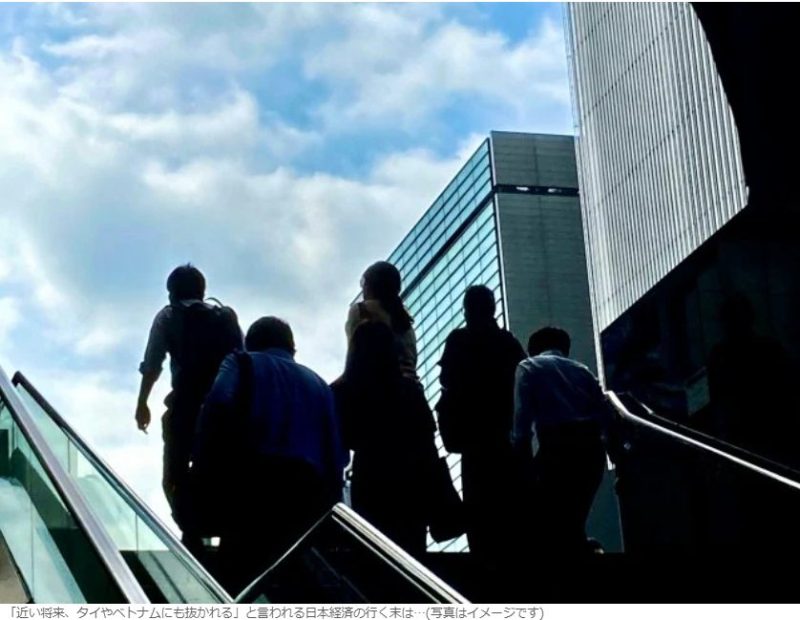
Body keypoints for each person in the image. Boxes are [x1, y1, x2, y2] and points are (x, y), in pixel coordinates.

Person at [193, 316, 348, 593]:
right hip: (307, 501)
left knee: (239, 580)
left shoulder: (241, 362)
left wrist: (203, 472)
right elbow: (336, 455)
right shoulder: (320, 385)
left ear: (250, 343)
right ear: (292, 348)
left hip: (252, 490)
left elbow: (218, 404)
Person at [135, 264, 242, 550]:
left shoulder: (168, 316)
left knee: (174, 475)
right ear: (203, 291)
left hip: (185, 406)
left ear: (171, 293)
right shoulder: (226, 316)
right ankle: (227, 535)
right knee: (223, 470)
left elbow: (153, 363)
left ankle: (191, 533)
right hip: (226, 410)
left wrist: (142, 402)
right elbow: (242, 360)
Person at [331, 321, 438, 557]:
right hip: (411, 482)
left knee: (373, 553)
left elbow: (341, 443)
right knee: (411, 552)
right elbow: (428, 434)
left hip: (370, 479)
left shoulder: (345, 391)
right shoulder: (410, 390)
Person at [436, 285, 525, 564]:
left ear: (467, 310)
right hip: (504, 437)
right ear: (493, 308)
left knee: (478, 511)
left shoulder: (459, 340)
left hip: (472, 440)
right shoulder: (508, 342)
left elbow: (447, 380)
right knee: (508, 513)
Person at [512, 326, 613, 556]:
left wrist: (523, 464)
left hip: (556, 447)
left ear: (533, 349)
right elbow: (604, 414)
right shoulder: (583, 371)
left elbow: (522, 422)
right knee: (575, 511)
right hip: (591, 449)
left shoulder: (528, 366)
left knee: (548, 511)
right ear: (564, 348)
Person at [345, 261, 417, 379]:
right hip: (411, 387)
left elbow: (354, 363)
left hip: (377, 385)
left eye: (363, 282)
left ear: (370, 285)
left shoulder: (361, 310)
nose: (362, 288)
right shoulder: (406, 323)